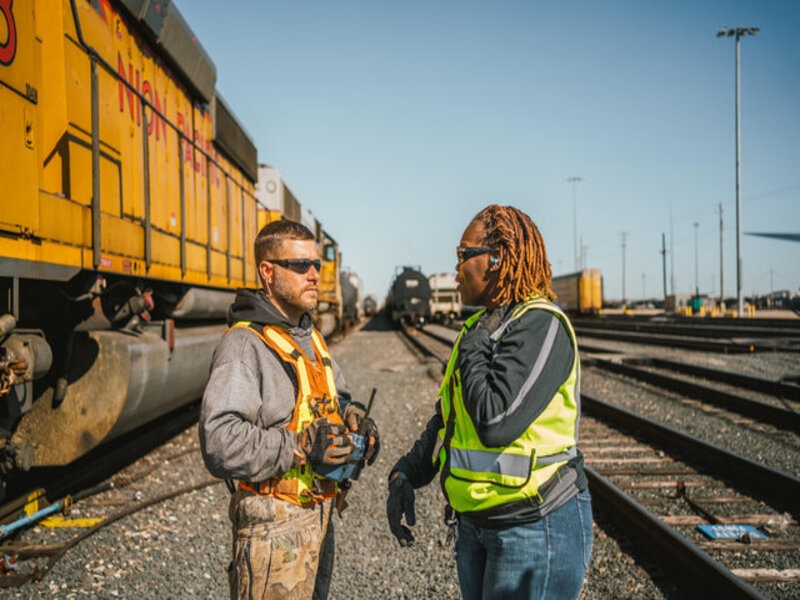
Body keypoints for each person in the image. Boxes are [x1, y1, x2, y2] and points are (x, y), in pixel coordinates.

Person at [386, 204, 592, 599]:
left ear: (497, 260)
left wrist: (478, 343)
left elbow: (496, 421)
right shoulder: (478, 328)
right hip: (476, 526)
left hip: (534, 527)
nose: (456, 267)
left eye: (463, 255)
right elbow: (449, 421)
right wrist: (407, 473)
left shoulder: (541, 325)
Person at [200, 219, 379, 599]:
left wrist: (354, 418)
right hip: (272, 528)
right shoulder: (245, 346)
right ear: (268, 272)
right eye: (300, 265)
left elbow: (336, 397)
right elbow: (218, 442)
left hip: (319, 515)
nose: (314, 274)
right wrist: (299, 446)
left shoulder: (309, 336)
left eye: (316, 264)